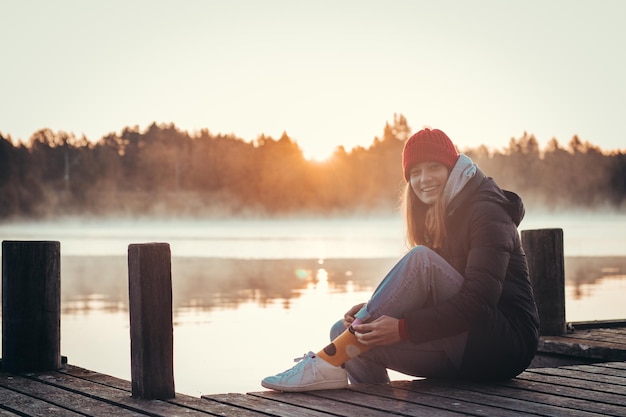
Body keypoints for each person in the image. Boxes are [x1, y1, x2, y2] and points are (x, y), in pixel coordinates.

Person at [261, 128, 540, 392]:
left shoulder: (487, 211)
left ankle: (324, 364)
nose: (424, 178)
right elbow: (441, 295)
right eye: (415, 172)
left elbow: (477, 302)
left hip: (503, 348)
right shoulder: (439, 215)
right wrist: (371, 314)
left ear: (452, 169)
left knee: (420, 260)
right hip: (468, 348)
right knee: (349, 334)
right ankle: (373, 406)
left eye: (434, 167)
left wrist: (403, 328)